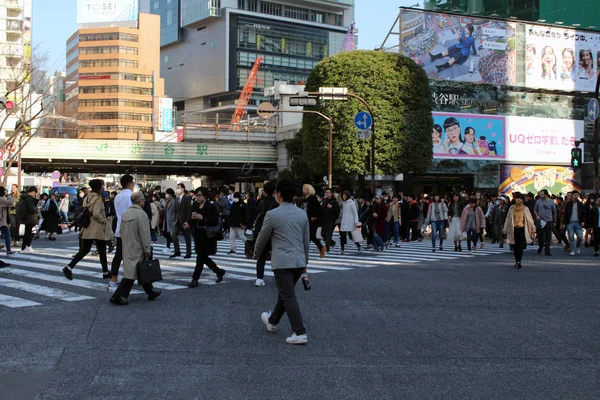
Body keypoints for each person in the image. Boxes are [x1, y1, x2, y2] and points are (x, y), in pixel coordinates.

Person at [255, 179, 310, 345]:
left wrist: (256, 254)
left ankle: (299, 332)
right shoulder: (302, 214)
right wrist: (305, 262)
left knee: (288, 295)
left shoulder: (273, 214)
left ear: (278, 194)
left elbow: (262, 237)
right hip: (299, 260)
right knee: (285, 294)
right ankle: (272, 321)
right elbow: (305, 241)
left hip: (282, 260)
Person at [109, 191, 162, 305]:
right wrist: (147, 249)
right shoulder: (141, 214)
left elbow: (122, 230)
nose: (143, 202)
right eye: (143, 200)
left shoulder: (126, 213)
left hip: (127, 245)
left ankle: (150, 291)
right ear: (140, 201)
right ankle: (118, 295)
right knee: (132, 273)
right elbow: (144, 234)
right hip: (138, 247)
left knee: (139, 269)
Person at [63, 179, 109, 280]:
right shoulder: (97, 198)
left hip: (87, 227)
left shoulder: (87, 197)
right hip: (96, 227)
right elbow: (97, 214)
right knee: (102, 250)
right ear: (99, 188)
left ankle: (69, 267)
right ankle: (105, 272)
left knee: (85, 250)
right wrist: (104, 221)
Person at [188, 188, 226, 288]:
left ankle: (195, 279)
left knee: (200, 257)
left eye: (199, 195)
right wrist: (188, 222)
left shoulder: (211, 206)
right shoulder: (195, 205)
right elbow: (191, 217)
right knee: (203, 257)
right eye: (196, 195)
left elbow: (214, 220)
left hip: (208, 234)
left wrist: (203, 218)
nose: (197, 197)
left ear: (205, 196)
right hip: (197, 234)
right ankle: (219, 271)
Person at [109, 175, 135, 290]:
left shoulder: (118, 196)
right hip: (130, 229)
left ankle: (113, 278)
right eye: (133, 183)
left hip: (119, 228)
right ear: (129, 183)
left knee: (118, 254)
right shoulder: (131, 196)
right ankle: (129, 278)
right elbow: (133, 213)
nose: (134, 185)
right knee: (131, 256)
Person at [254, 181, 278, 287]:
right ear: (274, 191)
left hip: (262, 231)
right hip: (274, 232)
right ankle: (279, 277)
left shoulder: (261, 203)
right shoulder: (277, 204)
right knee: (277, 255)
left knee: (261, 256)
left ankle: (259, 278)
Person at [503, 192, 536, 269]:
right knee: (514, 246)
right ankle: (516, 260)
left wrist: (533, 229)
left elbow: (530, 220)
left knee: (520, 246)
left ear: (522, 200)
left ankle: (519, 261)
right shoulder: (511, 208)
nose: (518, 200)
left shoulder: (525, 209)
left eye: (520, 199)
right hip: (513, 229)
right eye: (517, 198)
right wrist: (504, 230)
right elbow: (507, 219)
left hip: (522, 229)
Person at [301, 184, 326, 258]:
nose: (303, 190)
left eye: (304, 189)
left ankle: (320, 248)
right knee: (309, 236)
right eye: (303, 188)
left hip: (312, 221)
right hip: (305, 220)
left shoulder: (312, 198)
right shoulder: (304, 199)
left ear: (309, 190)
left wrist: (315, 216)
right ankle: (321, 247)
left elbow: (319, 209)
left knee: (310, 235)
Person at [561, 190, 586, 256]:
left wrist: (583, 221)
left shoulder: (580, 204)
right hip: (570, 222)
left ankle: (577, 246)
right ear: (572, 196)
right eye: (575, 195)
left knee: (580, 237)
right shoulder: (568, 204)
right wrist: (563, 223)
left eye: (577, 195)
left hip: (578, 222)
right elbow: (565, 214)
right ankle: (572, 250)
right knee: (571, 236)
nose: (576, 196)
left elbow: (584, 213)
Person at [171, 183, 192, 259]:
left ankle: (188, 253)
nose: (177, 189)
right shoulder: (176, 198)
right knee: (173, 235)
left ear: (183, 189)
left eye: (178, 188)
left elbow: (189, 210)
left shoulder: (187, 198)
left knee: (187, 237)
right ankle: (177, 251)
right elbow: (176, 211)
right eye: (177, 188)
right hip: (177, 220)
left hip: (185, 220)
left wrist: (187, 221)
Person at [534, 189, 556, 256]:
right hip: (541, 220)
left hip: (549, 220)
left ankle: (547, 250)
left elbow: (554, 211)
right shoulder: (538, 201)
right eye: (540, 194)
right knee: (540, 235)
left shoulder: (551, 201)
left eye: (542, 194)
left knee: (548, 236)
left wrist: (555, 220)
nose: (541, 196)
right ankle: (540, 246)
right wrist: (537, 215)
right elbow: (535, 209)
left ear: (546, 194)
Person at [16, 186, 38, 253]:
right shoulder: (29, 199)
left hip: (25, 217)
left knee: (27, 233)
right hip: (30, 218)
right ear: (32, 192)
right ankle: (26, 246)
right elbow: (32, 209)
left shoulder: (23, 198)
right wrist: (36, 209)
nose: (35, 194)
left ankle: (25, 247)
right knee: (28, 233)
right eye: (35, 193)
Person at [339, 190, 362, 255]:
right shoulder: (343, 203)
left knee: (352, 236)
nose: (343, 196)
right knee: (342, 236)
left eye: (345, 195)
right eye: (343, 195)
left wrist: (356, 222)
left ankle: (359, 245)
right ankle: (342, 249)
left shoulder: (351, 202)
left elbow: (355, 213)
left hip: (350, 222)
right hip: (344, 221)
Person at [321, 188, 340, 253]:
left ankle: (327, 248)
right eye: (326, 193)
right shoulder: (324, 201)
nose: (326, 194)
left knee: (328, 235)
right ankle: (332, 243)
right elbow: (322, 210)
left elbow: (337, 211)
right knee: (323, 234)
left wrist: (331, 208)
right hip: (324, 220)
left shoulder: (334, 202)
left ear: (331, 194)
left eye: (328, 192)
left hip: (330, 221)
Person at [0, 186, 14, 256]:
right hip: (1, 220)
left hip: (2, 220)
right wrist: (8, 195)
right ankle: (8, 250)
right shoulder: (1, 199)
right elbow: (10, 202)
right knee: (7, 235)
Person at [161, 188, 176, 254]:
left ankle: (169, 246)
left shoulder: (173, 202)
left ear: (170, 195)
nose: (166, 195)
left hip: (171, 220)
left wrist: (172, 218)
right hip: (166, 220)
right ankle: (169, 246)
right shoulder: (167, 201)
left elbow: (175, 212)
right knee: (166, 234)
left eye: (167, 193)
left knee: (169, 234)